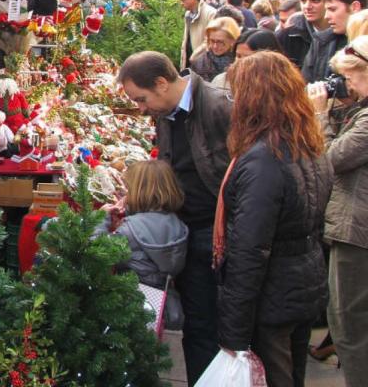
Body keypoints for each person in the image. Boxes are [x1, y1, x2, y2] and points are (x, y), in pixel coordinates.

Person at [117, 52, 232, 385]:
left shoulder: (218, 107)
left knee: (207, 324)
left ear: (161, 83)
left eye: (141, 99)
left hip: (213, 229)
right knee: (197, 323)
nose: (140, 108)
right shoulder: (166, 111)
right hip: (187, 225)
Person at [217, 52, 331, 387]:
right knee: (292, 375)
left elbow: (250, 250)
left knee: (276, 376)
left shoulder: (264, 159)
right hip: (302, 285)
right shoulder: (308, 144)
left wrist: (233, 333)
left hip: (274, 296)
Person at [307, 35, 368, 386]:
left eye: (350, 76)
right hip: (356, 227)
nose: (347, 84)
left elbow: (327, 160)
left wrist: (319, 115)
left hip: (357, 233)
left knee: (349, 323)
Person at [93, 159, 189, 289]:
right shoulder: (177, 224)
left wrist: (100, 218)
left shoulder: (129, 230)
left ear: (138, 191)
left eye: (128, 189)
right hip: (163, 295)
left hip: (131, 294)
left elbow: (97, 251)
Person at [211, 29, 284, 90]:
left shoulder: (282, 86)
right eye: (238, 56)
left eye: (247, 57)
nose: (239, 61)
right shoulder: (222, 82)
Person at [300, 0, 338, 83]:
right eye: (303, 1)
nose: (307, 6)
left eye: (315, 0)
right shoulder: (288, 35)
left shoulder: (343, 33)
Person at [190, 17, 241, 82]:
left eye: (220, 42)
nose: (215, 46)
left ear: (233, 40)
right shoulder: (200, 64)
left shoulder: (241, 62)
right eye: (212, 41)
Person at [180, 0, 216, 70]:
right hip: (189, 60)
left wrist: (196, 55)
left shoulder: (211, 13)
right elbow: (186, 40)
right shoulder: (188, 14)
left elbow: (210, 40)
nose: (181, 3)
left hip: (203, 62)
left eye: (183, 0)